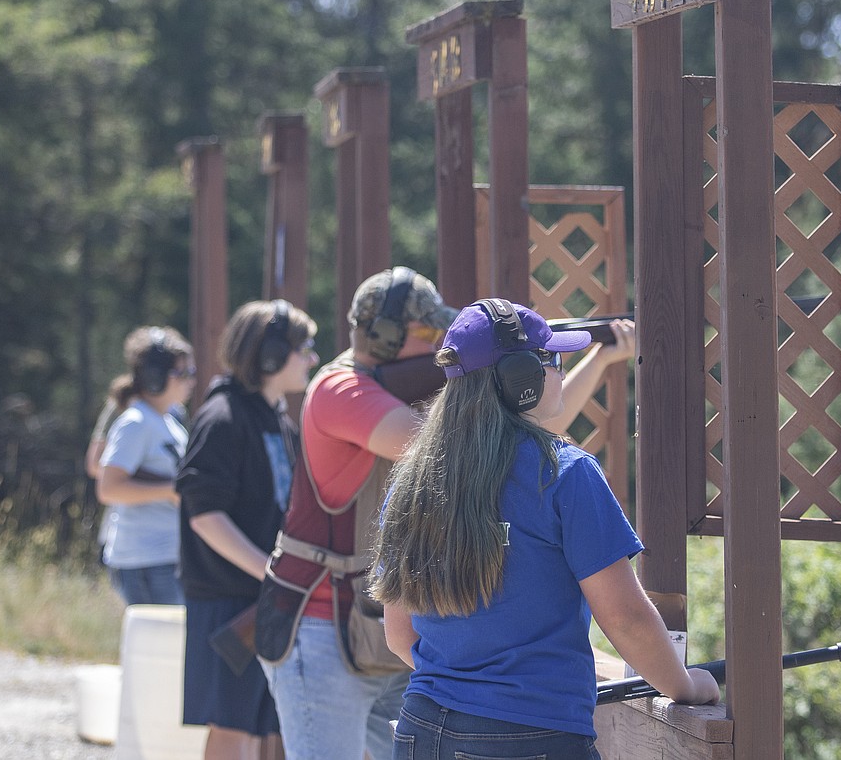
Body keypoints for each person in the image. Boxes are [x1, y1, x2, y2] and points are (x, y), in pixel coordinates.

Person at [259, 268, 638, 760]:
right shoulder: (341, 389)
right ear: (385, 334)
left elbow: (516, 432)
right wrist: (506, 374)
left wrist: (594, 358)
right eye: (427, 333)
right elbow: (468, 441)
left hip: (372, 627)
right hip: (320, 624)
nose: (441, 345)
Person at [371, 299, 720, 759]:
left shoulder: (412, 480)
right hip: (530, 737)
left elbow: (399, 635)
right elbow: (625, 619)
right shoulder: (565, 473)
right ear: (520, 380)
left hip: (421, 730)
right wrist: (685, 684)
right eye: (552, 360)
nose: (559, 370)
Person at [176, 299, 318, 760]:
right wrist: (271, 571)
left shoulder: (276, 418)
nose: (312, 359)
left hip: (261, 598)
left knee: (262, 729)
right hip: (228, 599)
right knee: (233, 727)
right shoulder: (222, 418)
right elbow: (204, 516)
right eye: (304, 348)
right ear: (271, 356)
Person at [95, 326, 195, 606]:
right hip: (145, 560)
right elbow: (110, 488)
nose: (191, 381)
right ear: (155, 378)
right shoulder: (136, 423)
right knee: (157, 648)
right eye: (183, 373)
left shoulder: (167, 423)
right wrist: (171, 490)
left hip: (164, 556)